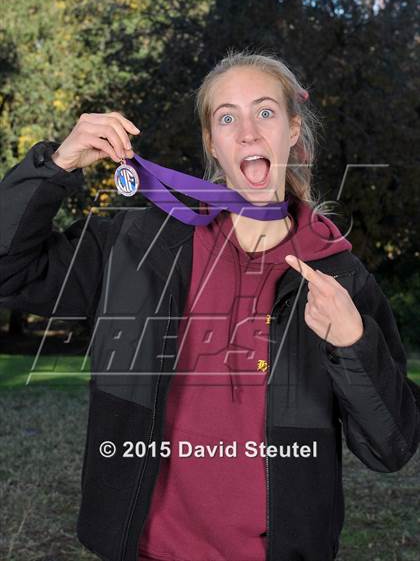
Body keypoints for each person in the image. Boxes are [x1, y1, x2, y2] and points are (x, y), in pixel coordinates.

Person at [0, 50, 419, 561]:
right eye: (227, 117)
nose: (247, 132)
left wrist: (353, 345)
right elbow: (11, 273)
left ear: (292, 129)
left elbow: (391, 447)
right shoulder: (138, 242)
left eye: (264, 112)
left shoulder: (339, 274)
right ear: (212, 144)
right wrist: (55, 165)